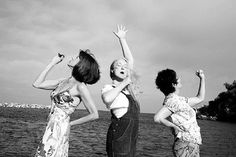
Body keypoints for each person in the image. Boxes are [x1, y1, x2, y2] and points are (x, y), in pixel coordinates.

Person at [33, 49, 100, 157]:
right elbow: (37, 84)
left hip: (60, 129)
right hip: (50, 126)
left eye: (77, 58)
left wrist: (70, 124)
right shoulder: (62, 81)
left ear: (81, 65)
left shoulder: (80, 87)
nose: (73, 57)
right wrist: (52, 63)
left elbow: (94, 114)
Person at [101, 25, 140, 157]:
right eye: (118, 66)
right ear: (112, 70)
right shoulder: (109, 88)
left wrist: (122, 39)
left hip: (131, 143)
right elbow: (107, 99)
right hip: (118, 142)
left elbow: (130, 60)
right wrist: (124, 82)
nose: (123, 67)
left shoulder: (129, 90)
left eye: (125, 66)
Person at [154, 69, 205, 157]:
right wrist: (173, 126)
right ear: (173, 84)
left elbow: (200, 98)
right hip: (185, 144)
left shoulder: (179, 100)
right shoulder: (172, 101)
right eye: (177, 78)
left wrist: (202, 78)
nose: (180, 78)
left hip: (191, 144)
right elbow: (157, 118)